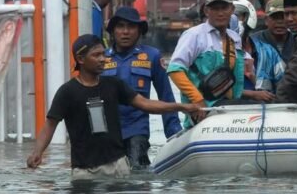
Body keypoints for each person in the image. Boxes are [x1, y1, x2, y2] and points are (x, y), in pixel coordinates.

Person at [26, 34, 203, 178]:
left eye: (104, 54)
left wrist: (183, 107)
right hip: (84, 172)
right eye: (96, 55)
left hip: (118, 167)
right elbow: (50, 125)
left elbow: (146, 104)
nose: (103, 59)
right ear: (80, 59)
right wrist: (38, 152)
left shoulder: (113, 85)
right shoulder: (67, 92)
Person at [102, 7, 182, 169]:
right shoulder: (100, 58)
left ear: (139, 31)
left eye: (131, 27)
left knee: (137, 171)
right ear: (113, 30)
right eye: (120, 27)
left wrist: (175, 135)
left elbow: (165, 96)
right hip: (106, 132)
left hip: (137, 130)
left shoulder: (152, 56)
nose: (125, 32)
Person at [167, 0, 273, 109]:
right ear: (207, 11)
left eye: (224, 8)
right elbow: (174, 69)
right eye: (215, 9)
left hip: (228, 106)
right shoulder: (194, 35)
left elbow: (233, 85)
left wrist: (253, 94)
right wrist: (198, 100)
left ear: (232, 9)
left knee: (269, 106)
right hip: (205, 108)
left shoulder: (234, 38)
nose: (220, 13)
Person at [249, 0, 293, 93]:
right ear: (266, 20)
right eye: (275, 17)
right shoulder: (254, 41)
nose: (280, 22)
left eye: (283, 17)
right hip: (260, 97)